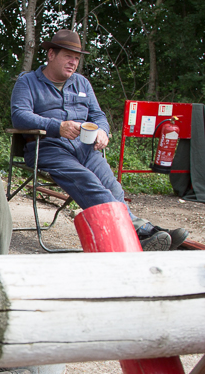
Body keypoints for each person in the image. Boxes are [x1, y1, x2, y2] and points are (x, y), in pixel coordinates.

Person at [11, 29, 188, 251]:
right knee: (89, 181)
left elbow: (98, 116)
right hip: (49, 149)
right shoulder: (28, 82)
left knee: (113, 186)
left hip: (85, 148)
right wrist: (58, 126)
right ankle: (142, 231)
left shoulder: (82, 83)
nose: (73, 62)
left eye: (77, 58)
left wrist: (103, 131)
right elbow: (19, 116)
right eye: (68, 56)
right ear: (51, 54)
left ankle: (142, 234)